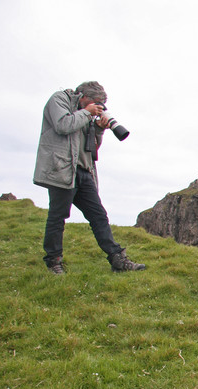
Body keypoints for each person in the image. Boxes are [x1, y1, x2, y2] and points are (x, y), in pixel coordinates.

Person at [33, 81, 145, 274]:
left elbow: (91, 149)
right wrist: (87, 113)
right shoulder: (59, 100)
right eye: (94, 103)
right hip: (62, 169)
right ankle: (54, 262)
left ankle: (118, 260)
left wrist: (99, 129)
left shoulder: (85, 115)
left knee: (98, 215)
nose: (96, 107)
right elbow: (62, 125)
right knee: (58, 217)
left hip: (83, 171)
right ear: (83, 97)